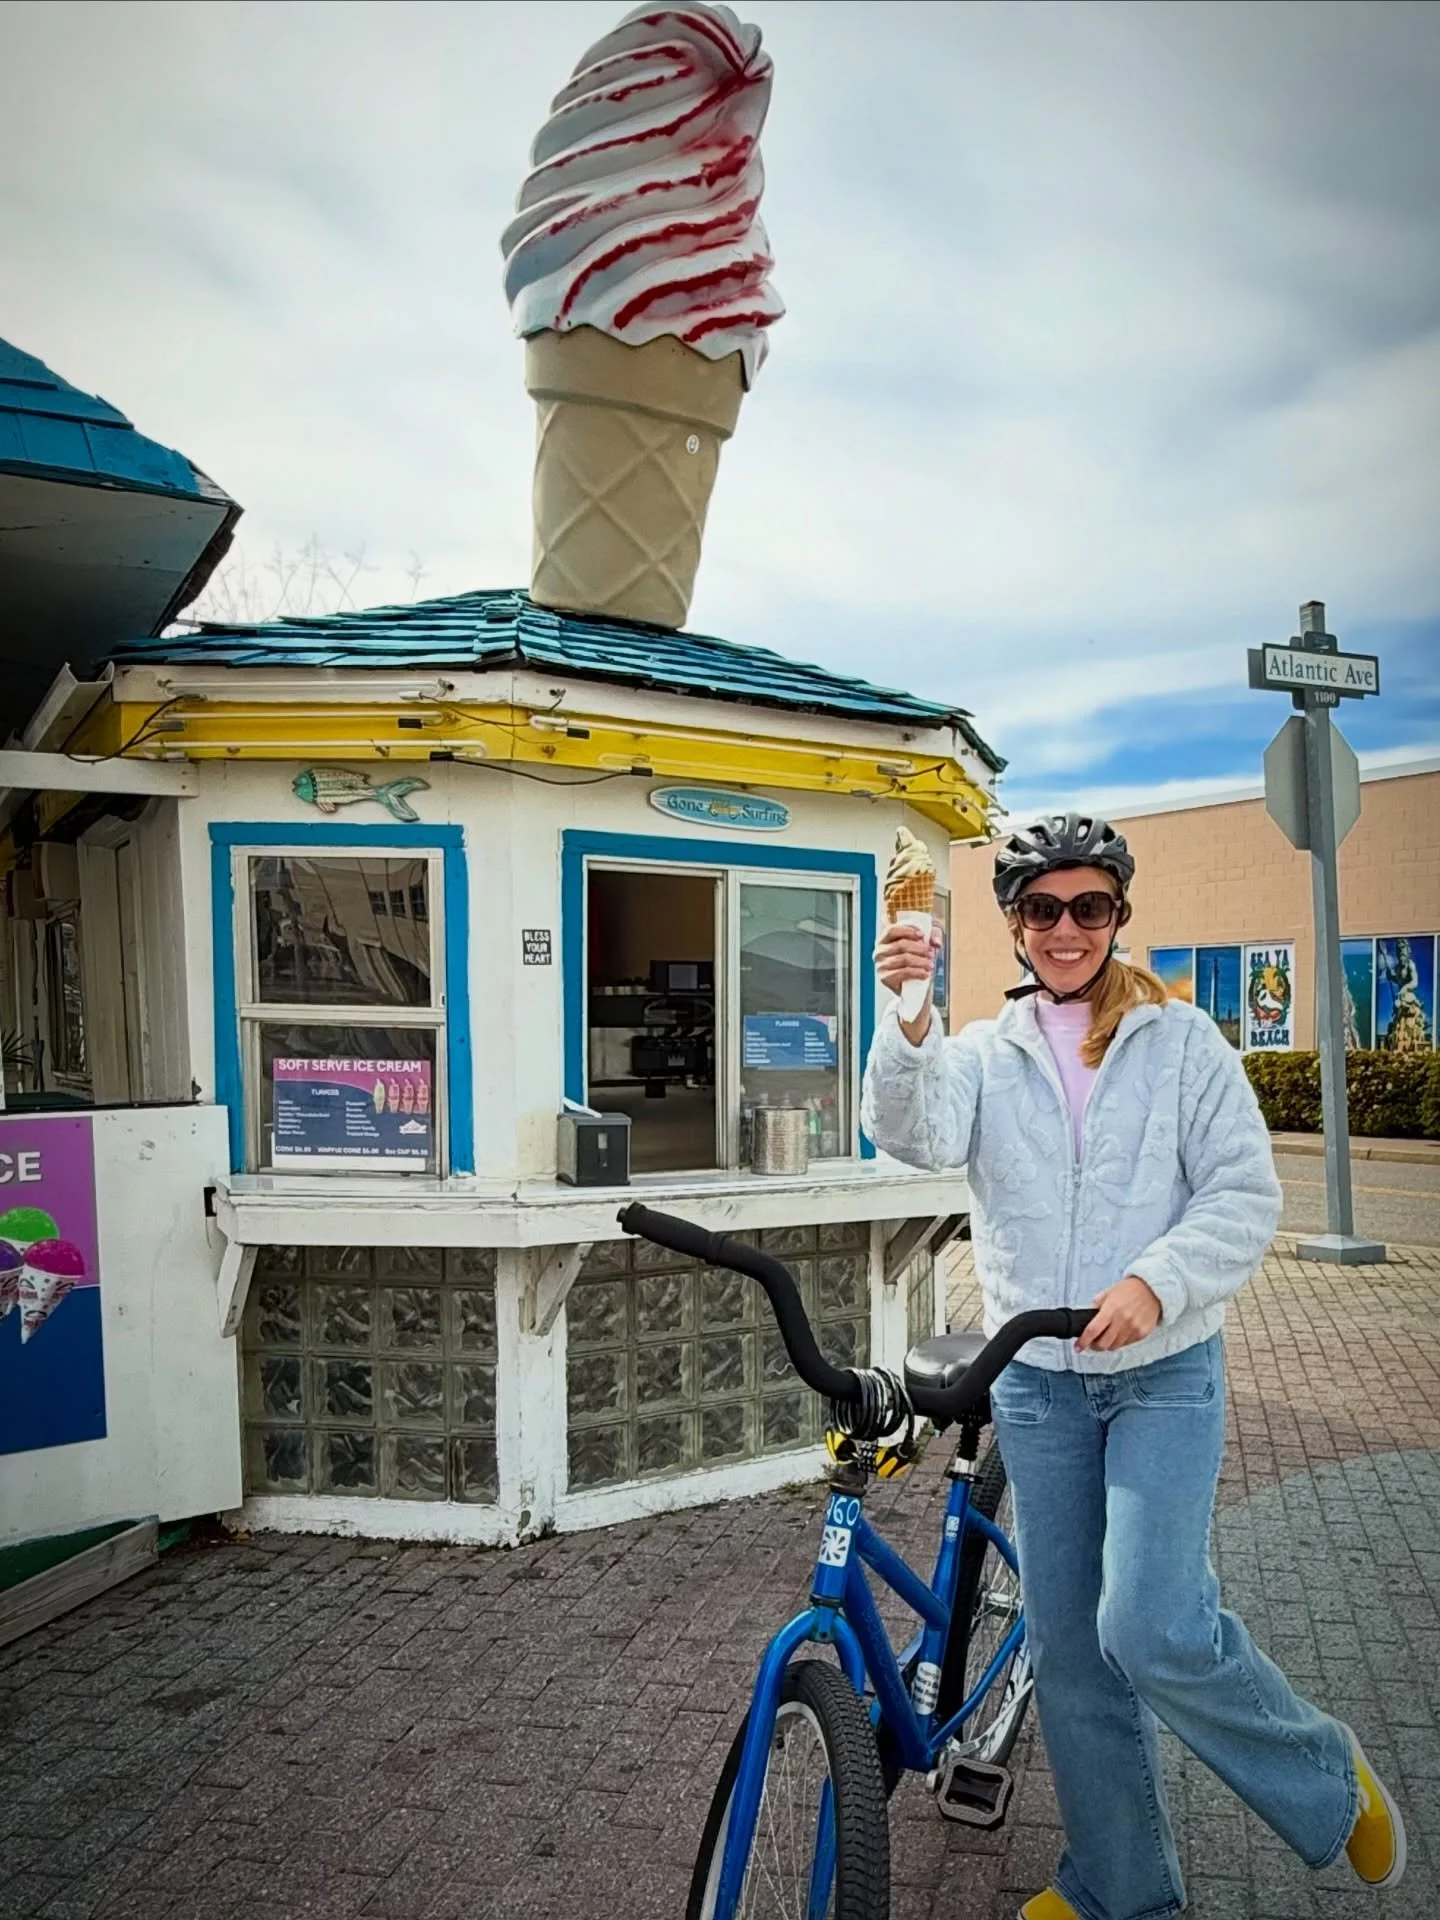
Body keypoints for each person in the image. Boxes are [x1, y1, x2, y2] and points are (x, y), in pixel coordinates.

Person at [861, 812, 1406, 1919]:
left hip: (1163, 1373)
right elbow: (912, 1132)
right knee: (1069, 1654)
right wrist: (907, 1012)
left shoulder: (1181, 1041)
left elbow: (1246, 1192)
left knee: (1150, 1626)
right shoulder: (979, 1050)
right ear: (1015, 925)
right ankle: (1119, 1889)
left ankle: (1323, 1775)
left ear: (1118, 914)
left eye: (1090, 906)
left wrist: (1156, 1281)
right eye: (1044, 909)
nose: (1068, 928)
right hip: (1040, 1386)